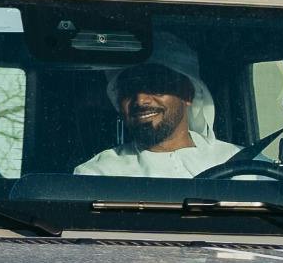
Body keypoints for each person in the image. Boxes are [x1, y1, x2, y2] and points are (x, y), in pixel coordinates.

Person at [74, 54, 244, 179]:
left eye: (154, 86)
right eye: (128, 90)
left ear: (187, 94)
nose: (140, 100)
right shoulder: (99, 174)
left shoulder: (240, 162)